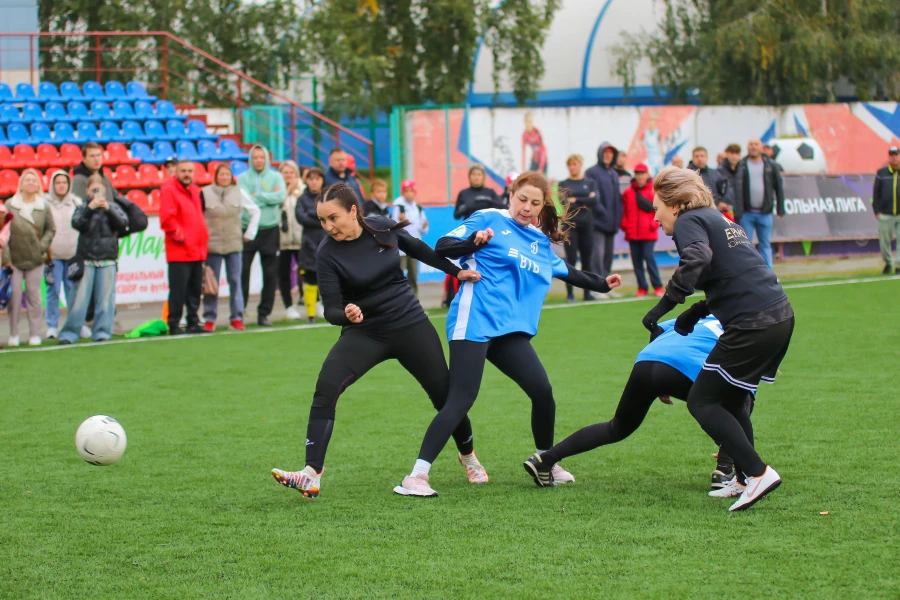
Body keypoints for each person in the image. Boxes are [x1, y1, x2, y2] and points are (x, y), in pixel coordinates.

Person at [396, 171, 623, 497]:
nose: (526, 207)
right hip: (473, 320)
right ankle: (417, 476)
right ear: (510, 195)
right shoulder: (489, 218)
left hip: (508, 330)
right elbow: (443, 246)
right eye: (521, 199)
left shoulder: (539, 241)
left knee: (542, 391)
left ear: (543, 205)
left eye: (535, 203)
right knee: (461, 398)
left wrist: (601, 283)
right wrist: (472, 243)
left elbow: (566, 271)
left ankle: (546, 460)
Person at [271, 183, 484, 499]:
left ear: (353, 211)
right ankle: (311, 473)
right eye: (322, 221)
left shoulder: (382, 227)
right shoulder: (326, 253)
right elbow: (330, 309)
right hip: (365, 332)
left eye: (334, 218)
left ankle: (468, 456)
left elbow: (418, 249)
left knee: (445, 397)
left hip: (411, 324)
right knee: (326, 386)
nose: (328, 227)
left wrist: (455, 271)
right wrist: (346, 314)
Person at [640, 166, 794, 511]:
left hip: (752, 323)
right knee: (733, 402)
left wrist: (664, 306)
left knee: (702, 401)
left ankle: (757, 473)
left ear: (675, 204)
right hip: (778, 316)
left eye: (656, 208)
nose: (655, 217)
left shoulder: (687, 222)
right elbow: (738, 273)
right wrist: (697, 310)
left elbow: (698, 258)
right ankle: (741, 478)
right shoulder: (722, 220)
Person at [524, 315, 755, 499]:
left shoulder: (705, 314)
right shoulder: (751, 327)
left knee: (617, 427)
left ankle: (545, 460)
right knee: (737, 406)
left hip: (648, 360)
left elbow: (659, 330)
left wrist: (662, 381)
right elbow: (742, 397)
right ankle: (726, 471)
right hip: (684, 366)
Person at [59, 173, 128, 345]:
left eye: (100, 189)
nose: (97, 193)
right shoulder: (82, 207)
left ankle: (102, 332)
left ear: (105, 190)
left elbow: (123, 225)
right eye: (93, 189)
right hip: (87, 258)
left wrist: (108, 209)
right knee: (79, 300)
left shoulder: (112, 207)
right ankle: (70, 333)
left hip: (107, 259)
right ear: (88, 191)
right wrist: (90, 208)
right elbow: (77, 223)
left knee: (105, 300)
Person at [201, 163, 260, 332]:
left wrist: (250, 233)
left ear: (231, 176)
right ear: (216, 176)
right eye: (222, 174)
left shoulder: (238, 192)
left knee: (236, 282)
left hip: (234, 244)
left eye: (227, 174)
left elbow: (255, 211)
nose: (224, 177)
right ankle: (209, 318)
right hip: (212, 245)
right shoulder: (205, 193)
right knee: (211, 284)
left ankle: (237, 317)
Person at [2, 169, 56, 347]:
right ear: (21, 184)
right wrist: (7, 258)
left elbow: (51, 229)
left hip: (36, 258)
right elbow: (4, 231)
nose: (31, 183)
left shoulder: (44, 205)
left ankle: (35, 333)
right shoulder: (11, 205)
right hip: (14, 259)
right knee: (15, 297)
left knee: (34, 297)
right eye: (27, 180)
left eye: (34, 180)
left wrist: (42, 247)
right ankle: (14, 334)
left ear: (38, 185)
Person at [159, 160, 209, 335]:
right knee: (179, 290)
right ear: (176, 172)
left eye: (190, 171)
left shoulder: (195, 190)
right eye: (183, 171)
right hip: (180, 250)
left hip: (197, 248)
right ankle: (174, 323)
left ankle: (193, 322)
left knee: (195, 290)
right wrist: (182, 238)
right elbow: (167, 220)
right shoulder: (169, 189)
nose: (187, 174)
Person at [238, 144, 285, 327]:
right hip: (247, 230)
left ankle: (264, 313)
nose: (258, 160)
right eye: (255, 157)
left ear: (266, 159)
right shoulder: (242, 178)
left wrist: (257, 196)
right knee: (242, 273)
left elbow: (280, 196)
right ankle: (239, 312)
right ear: (251, 159)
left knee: (270, 275)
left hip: (270, 229)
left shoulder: (276, 177)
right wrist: (268, 196)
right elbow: (244, 200)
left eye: (261, 157)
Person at [734, 138, 786, 269]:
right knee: (746, 245)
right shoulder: (742, 165)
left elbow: (778, 187)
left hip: (765, 212)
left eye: (756, 144)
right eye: (751, 144)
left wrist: (780, 208)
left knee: (765, 245)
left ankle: (768, 273)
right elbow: (736, 189)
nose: (753, 147)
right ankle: (748, 272)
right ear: (747, 147)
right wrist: (738, 211)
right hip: (747, 213)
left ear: (761, 147)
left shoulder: (770, 165)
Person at [44, 172, 82, 340]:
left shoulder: (76, 202)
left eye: (64, 182)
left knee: (72, 291)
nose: (61, 185)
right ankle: (52, 326)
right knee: (53, 290)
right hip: (53, 256)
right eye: (57, 182)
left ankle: (74, 324)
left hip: (73, 254)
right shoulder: (45, 204)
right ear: (52, 184)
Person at [559, 154, 599, 302]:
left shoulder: (590, 182)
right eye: (570, 165)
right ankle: (570, 293)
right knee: (571, 260)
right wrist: (584, 199)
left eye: (575, 164)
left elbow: (594, 200)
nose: (572, 167)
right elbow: (564, 202)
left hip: (586, 225)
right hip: (570, 226)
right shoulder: (563, 183)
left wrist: (576, 199)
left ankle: (587, 293)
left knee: (587, 259)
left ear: (580, 165)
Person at [621, 163, 664, 297]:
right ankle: (642, 287)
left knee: (649, 259)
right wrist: (625, 226)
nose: (640, 176)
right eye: (638, 174)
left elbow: (660, 211)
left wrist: (653, 225)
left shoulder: (653, 191)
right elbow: (624, 212)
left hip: (648, 233)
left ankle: (658, 287)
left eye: (642, 173)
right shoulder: (628, 192)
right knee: (636, 262)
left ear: (647, 175)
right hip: (632, 233)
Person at [585, 142, 623, 283]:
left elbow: (617, 199)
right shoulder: (592, 172)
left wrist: (617, 217)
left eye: (611, 153)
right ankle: (597, 286)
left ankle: (606, 286)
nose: (608, 155)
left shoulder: (613, 173)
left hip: (611, 223)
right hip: (597, 223)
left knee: (608, 256)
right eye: (605, 152)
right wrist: (602, 213)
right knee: (597, 256)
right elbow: (592, 197)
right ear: (600, 154)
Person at [295, 167, 327, 323]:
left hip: (327, 242)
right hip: (308, 244)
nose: (314, 182)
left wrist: (312, 213)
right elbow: (301, 218)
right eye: (311, 179)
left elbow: (330, 216)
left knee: (329, 279)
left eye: (317, 178)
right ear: (306, 181)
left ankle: (330, 309)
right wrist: (320, 217)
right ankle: (311, 314)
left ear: (322, 180)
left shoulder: (328, 197)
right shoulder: (302, 199)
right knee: (310, 279)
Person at [391, 180, 429, 296]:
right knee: (399, 276)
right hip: (401, 248)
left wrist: (424, 226)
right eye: (406, 191)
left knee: (413, 276)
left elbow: (424, 229)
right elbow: (393, 226)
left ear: (415, 192)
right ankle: (399, 300)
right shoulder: (399, 207)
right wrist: (400, 220)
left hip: (414, 247)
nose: (409, 194)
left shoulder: (418, 208)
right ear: (402, 192)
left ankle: (414, 301)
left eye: (411, 191)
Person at [278, 160, 305, 320]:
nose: (288, 175)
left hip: (301, 239)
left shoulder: (303, 190)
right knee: (284, 274)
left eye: (291, 172)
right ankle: (288, 305)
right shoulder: (276, 189)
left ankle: (312, 302)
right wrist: (286, 190)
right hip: (283, 240)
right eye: (285, 172)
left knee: (307, 272)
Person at [873, 146, 900, 275]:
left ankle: (899, 265)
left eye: (896, 155)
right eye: (892, 155)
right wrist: (877, 211)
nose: (894, 157)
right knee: (884, 242)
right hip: (885, 213)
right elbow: (876, 193)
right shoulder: (882, 173)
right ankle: (888, 263)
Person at [716, 143, 742, 220]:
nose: (734, 156)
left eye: (736, 153)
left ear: (740, 155)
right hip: (726, 210)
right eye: (731, 153)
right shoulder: (719, 170)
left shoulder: (742, 169)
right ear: (726, 154)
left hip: (741, 211)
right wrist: (719, 202)